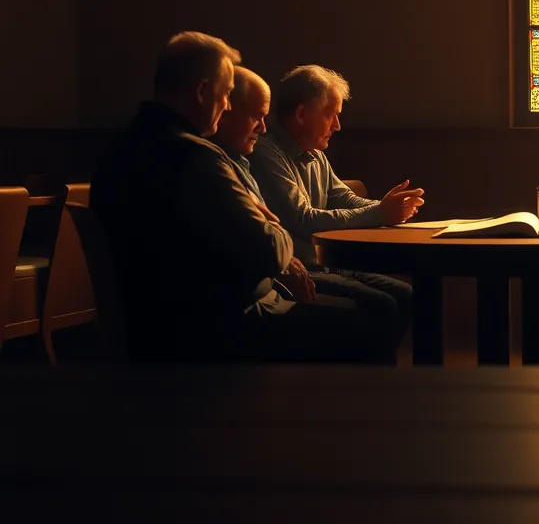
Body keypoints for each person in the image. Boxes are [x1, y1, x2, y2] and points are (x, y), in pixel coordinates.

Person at [91, 32, 394, 363]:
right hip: (216, 331)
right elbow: (270, 250)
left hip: (157, 328)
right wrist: (274, 225)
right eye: (225, 96)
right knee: (372, 320)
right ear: (203, 92)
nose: (226, 107)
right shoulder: (197, 157)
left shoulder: (121, 148)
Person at [248, 65, 421, 348]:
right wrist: (379, 213)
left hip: (332, 266)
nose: (337, 126)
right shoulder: (267, 153)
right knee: (384, 306)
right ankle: (366, 378)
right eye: (331, 115)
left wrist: (389, 206)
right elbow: (302, 218)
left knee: (407, 296)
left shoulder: (316, 155)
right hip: (304, 271)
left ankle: (377, 373)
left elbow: (345, 198)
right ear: (302, 114)